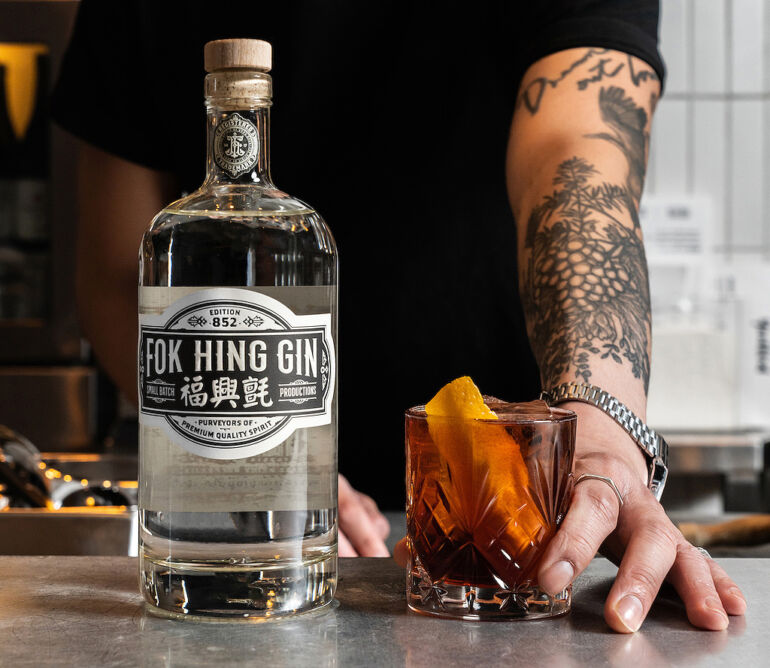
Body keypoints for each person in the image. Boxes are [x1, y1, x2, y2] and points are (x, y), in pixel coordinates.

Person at [52, 0, 745, 632]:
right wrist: (246, 462)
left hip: (514, 522)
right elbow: (117, 273)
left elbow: (576, 156)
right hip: (270, 534)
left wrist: (600, 430)